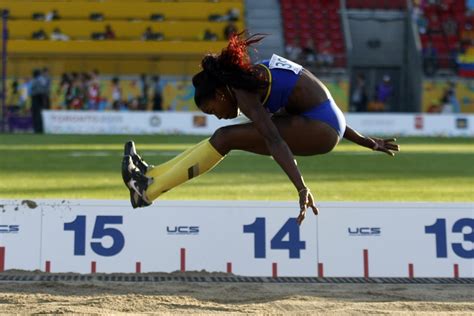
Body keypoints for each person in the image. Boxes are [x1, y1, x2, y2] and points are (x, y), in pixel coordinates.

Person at [121, 33, 399, 225]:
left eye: (211, 110)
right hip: (327, 123)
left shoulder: (245, 90)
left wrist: (301, 188)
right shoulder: (254, 76)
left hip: (321, 129)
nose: (218, 115)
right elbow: (326, 110)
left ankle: (148, 191)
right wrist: (367, 142)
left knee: (224, 137)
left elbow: (276, 140)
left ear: (220, 94)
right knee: (223, 136)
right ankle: (151, 176)